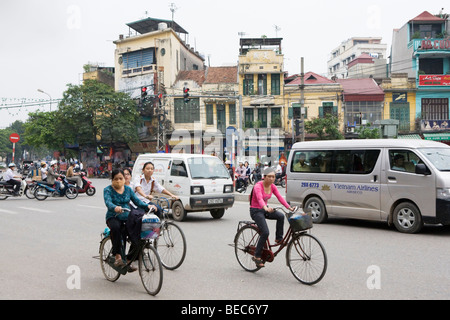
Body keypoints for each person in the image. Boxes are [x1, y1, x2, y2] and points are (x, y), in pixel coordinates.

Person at [104, 168, 158, 268]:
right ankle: (117, 256)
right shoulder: (107, 190)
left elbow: (137, 201)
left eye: (121, 178)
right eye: (116, 179)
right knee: (116, 229)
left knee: (137, 235)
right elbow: (108, 202)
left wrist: (148, 206)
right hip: (113, 216)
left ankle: (129, 260)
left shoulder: (128, 189)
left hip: (127, 217)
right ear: (112, 179)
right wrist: (115, 207)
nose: (119, 181)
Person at [249, 167, 295, 267]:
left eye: (273, 177)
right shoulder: (258, 186)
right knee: (265, 232)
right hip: (256, 210)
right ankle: (257, 256)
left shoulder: (272, 186)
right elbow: (260, 199)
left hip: (265, 209)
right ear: (264, 177)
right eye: (269, 176)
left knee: (280, 216)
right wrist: (265, 207)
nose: (271, 179)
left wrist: (289, 207)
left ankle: (278, 238)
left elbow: (279, 197)